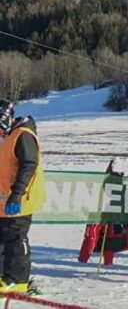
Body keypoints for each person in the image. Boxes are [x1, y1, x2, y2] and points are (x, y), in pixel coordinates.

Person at [0, 100, 47, 294]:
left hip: (20, 200)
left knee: (15, 237)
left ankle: (18, 280)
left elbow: (29, 165)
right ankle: (4, 277)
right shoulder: (7, 135)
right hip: (4, 199)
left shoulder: (23, 135)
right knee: (3, 238)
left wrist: (17, 194)